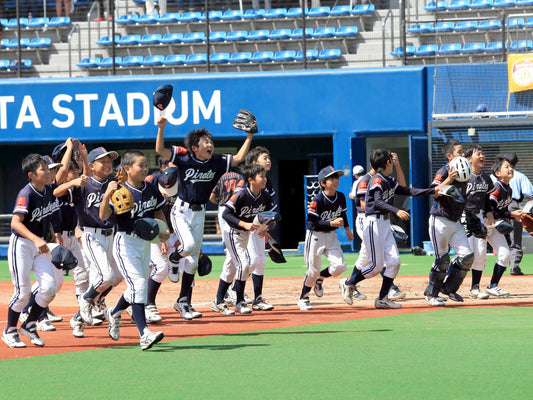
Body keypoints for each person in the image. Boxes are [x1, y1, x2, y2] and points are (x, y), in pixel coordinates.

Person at [155, 111, 255, 321]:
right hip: (181, 211)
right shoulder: (184, 157)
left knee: (192, 262)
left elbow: (238, 158)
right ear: (195, 147)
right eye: (205, 141)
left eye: (210, 141)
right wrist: (161, 127)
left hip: (199, 214)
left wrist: (249, 136)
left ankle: (184, 302)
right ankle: (174, 259)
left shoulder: (216, 162)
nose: (210, 144)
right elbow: (160, 149)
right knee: (189, 246)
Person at [340, 149, 445, 309]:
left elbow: (409, 191)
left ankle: (382, 299)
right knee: (375, 266)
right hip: (373, 223)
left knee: (394, 262)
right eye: (391, 160)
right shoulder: (376, 180)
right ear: (387, 163)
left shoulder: (387, 180)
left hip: (383, 224)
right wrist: (396, 210)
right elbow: (377, 202)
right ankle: (349, 283)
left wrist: (433, 191)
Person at [99, 150, 169, 350]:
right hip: (126, 243)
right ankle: (144, 334)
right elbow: (103, 215)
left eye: (146, 165)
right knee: (139, 284)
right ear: (127, 169)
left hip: (146, 243)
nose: (145, 168)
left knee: (136, 288)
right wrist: (107, 195)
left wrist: (163, 229)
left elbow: (158, 210)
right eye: (141, 165)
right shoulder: (120, 190)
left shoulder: (150, 188)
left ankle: (113, 314)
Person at [55, 147, 123, 326]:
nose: (108, 164)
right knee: (106, 277)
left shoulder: (114, 181)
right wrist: (72, 183)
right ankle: (86, 301)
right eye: (103, 161)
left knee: (116, 275)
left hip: (111, 236)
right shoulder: (84, 184)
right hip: (92, 236)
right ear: (92, 166)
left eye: (110, 161)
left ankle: (79, 317)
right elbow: (56, 192)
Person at [2, 154, 58, 348]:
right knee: (23, 293)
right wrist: (35, 238)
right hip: (23, 245)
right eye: (44, 169)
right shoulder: (26, 193)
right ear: (32, 174)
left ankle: (29, 325)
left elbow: (46, 217)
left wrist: (49, 233)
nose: (49, 172)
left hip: (39, 244)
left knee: (50, 287)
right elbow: (15, 223)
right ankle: (9, 330)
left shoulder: (48, 191)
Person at [211, 163, 277, 314]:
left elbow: (269, 217)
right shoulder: (241, 194)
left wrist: (266, 229)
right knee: (244, 264)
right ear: (251, 180)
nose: (265, 179)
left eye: (265, 176)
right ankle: (239, 301)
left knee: (230, 268)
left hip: (245, 233)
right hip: (232, 231)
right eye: (261, 176)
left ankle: (218, 302)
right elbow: (225, 214)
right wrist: (244, 224)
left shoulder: (264, 196)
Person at [423, 139, 473, 306]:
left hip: (455, 221)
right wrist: (448, 180)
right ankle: (431, 294)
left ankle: (449, 288)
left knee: (467, 256)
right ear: (449, 156)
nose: (464, 154)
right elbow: (434, 192)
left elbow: (463, 200)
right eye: (460, 152)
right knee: (442, 260)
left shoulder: (465, 174)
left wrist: (471, 217)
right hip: (439, 220)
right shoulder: (444, 171)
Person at [297, 166, 354, 311]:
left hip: (331, 236)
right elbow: (312, 222)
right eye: (332, 178)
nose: (336, 181)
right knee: (312, 271)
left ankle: (320, 279)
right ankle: (303, 298)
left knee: (340, 266)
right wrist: (331, 223)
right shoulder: (317, 199)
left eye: (337, 178)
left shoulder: (340, 196)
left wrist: (348, 230)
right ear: (323, 183)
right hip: (315, 235)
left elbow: (343, 214)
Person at [483, 156, 522, 296]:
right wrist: (511, 214)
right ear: (497, 173)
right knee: (473, 257)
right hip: (483, 224)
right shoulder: (497, 188)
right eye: (506, 167)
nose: (510, 169)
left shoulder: (509, 190)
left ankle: (493, 286)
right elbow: (490, 209)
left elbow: (499, 212)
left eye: (511, 166)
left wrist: (513, 215)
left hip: (494, 226)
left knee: (505, 254)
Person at [462, 144, 494, 300]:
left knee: (480, 253)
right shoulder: (463, 177)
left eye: (483, 153)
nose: (482, 156)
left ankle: (474, 288)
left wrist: (490, 215)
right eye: (478, 154)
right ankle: (448, 283)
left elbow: (487, 201)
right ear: (468, 159)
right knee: (466, 253)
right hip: (464, 216)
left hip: (479, 216)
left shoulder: (486, 178)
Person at [502, 153, 533, 275]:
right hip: (513, 206)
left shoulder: (495, 175)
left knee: (498, 238)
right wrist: (526, 210)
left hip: (495, 207)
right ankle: (514, 266)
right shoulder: (520, 176)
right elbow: (530, 195)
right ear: (516, 164)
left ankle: (500, 266)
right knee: (515, 238)